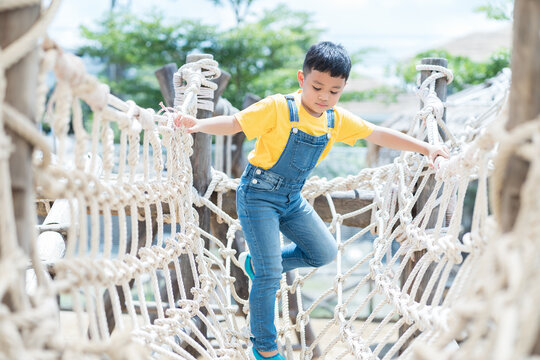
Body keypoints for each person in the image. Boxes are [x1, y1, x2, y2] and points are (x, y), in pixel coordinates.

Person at [175, 41, 449, 360]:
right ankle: (264, 347)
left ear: (342, 90)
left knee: (323, 251)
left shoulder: (335, 119)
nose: (324, 96)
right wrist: (198, 124)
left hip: (291, 198)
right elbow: (235, 123)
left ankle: (257, 263)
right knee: (269, 275)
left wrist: (426, 149)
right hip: (259, 195)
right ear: (301, 79)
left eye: (334, 91)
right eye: (317, 86)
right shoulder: (278, 107)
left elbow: (376, 133)